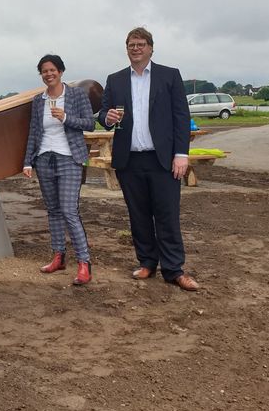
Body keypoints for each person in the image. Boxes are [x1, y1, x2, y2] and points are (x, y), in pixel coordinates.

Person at [99, 27, 199, 291]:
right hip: (129, 160)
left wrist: (181, 154)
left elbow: (181, 117)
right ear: (127, 49)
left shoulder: (169, 75)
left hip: (163, 159)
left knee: (167, 215)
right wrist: (107, 118)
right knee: (139, 215)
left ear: (151, 48)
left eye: (141, 44)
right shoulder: (115, 79)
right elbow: (104, 115)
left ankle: (174, 269)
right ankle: (147, 262)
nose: (136, 48)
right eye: (131, 45)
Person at [22, 55, 95, 285]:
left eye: (52, 70)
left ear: (61, 71)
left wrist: (66, 118)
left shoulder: (76, 95)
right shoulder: (39, 100)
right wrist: (28, 161)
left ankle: (84, 263)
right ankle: (58, 256)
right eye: (44, 71)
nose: (49, 74)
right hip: (44, 159)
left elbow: (90, 124)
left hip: (69, 158)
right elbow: (34, 131)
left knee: (69, 211)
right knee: (53, 210)